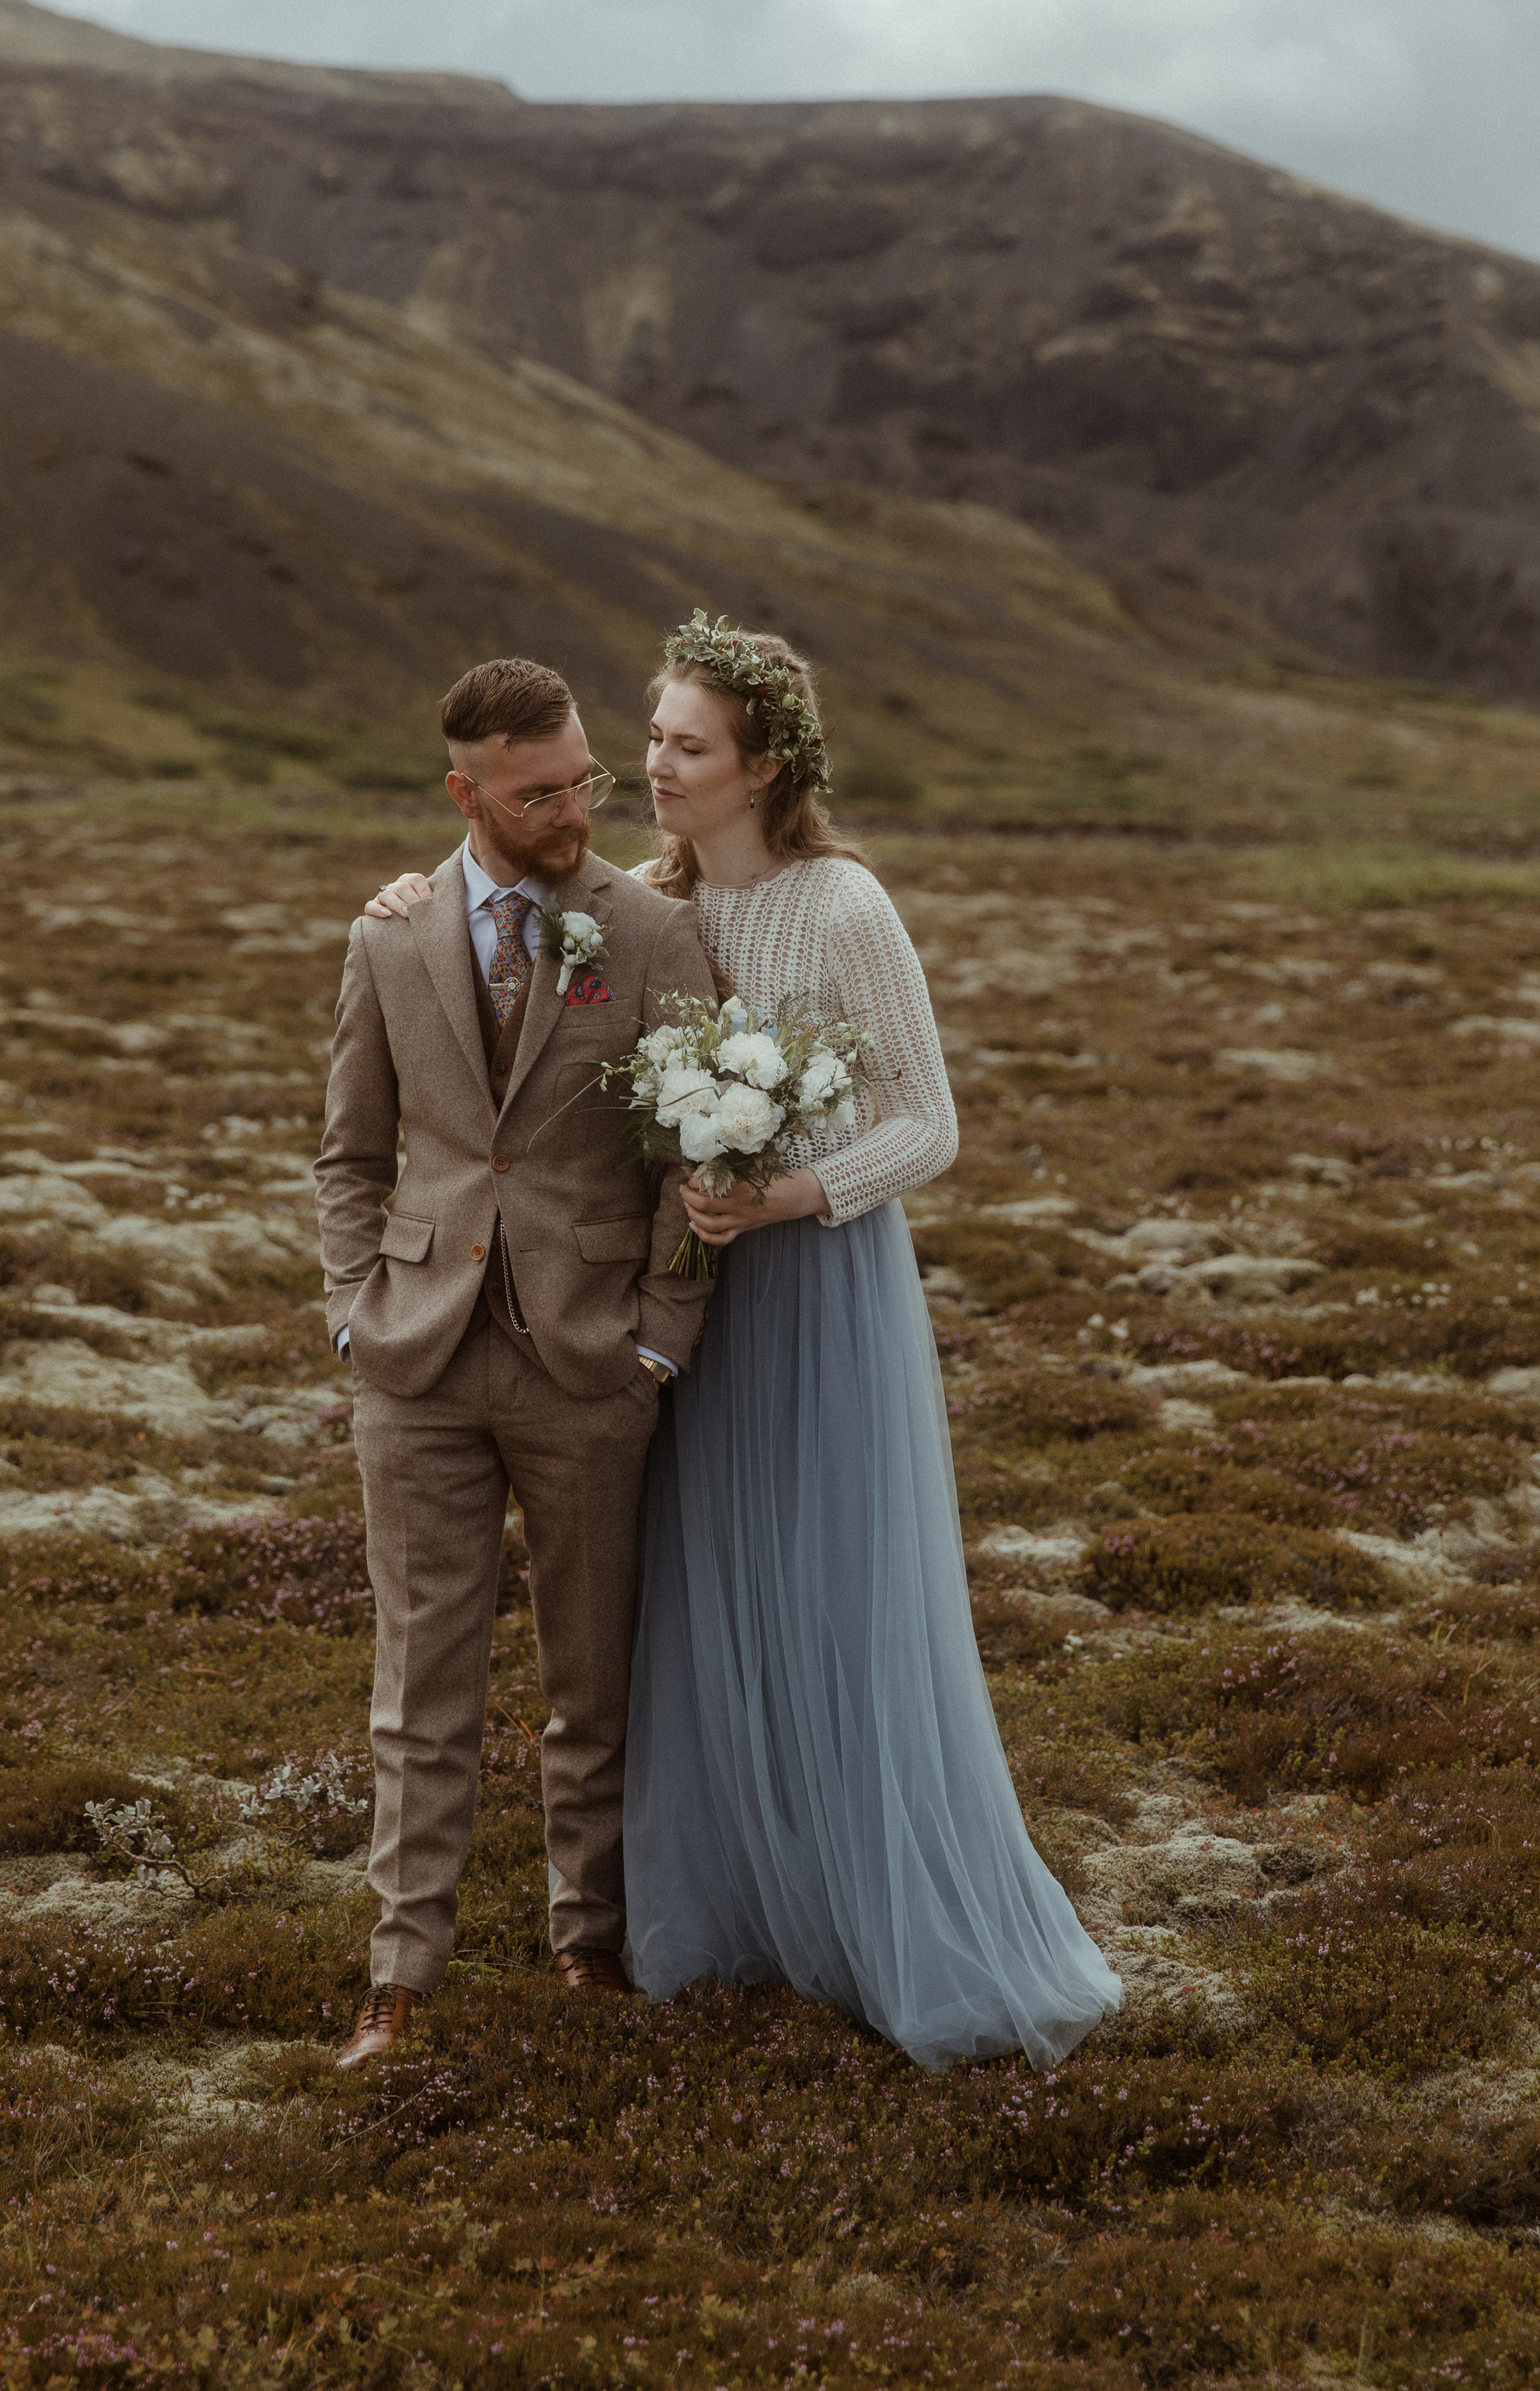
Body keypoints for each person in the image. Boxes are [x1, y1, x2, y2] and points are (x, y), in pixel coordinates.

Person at [360, 619, 1119, 2070]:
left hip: (816, 1292)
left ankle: (878, 1922)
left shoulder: (843, 908)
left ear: (762, 766)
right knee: (699, 1608)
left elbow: (927, 1123)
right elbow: (508, 943)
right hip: (678, 1304)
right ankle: (732, 1916)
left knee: (831, 1602)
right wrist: (415, 895)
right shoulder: (645, 902)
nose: (647, 766)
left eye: (680, 745)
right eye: (645, 738)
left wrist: (779, 1196)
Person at [315, 656, 714, 2068]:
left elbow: (691, 1160)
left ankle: (584, 1944)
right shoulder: (389, 937)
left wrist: (659, 1342)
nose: (567, 811)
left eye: (583, 782)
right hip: (413, 1366)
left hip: (589, 1363)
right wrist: (353, 1310)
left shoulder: (650, 932)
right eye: (536, 793)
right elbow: (352, 1151)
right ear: (463, 793)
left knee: (589, 1683)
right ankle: (399, 1975)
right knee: (418, 1690)